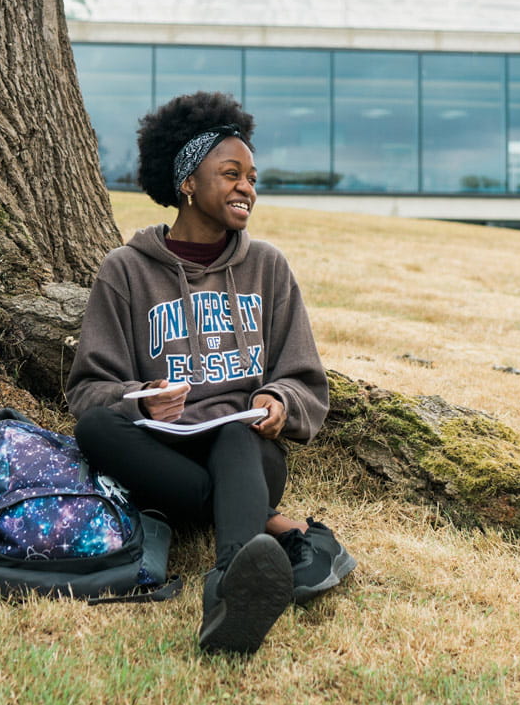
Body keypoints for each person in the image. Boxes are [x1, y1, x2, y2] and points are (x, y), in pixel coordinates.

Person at [66, 91, 354, 655]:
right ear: (188, 183)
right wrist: (140, 399)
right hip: (161, 460)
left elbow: (304, 377)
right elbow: (87, 391)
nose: (247, 186)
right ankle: (265, 525)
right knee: (95, 429)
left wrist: (278, 402)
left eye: (252, 176)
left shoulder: (267, 266)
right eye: (231, 173)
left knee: (233, 431)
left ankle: (228, 588)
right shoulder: (125, 271)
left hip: (247, 453)